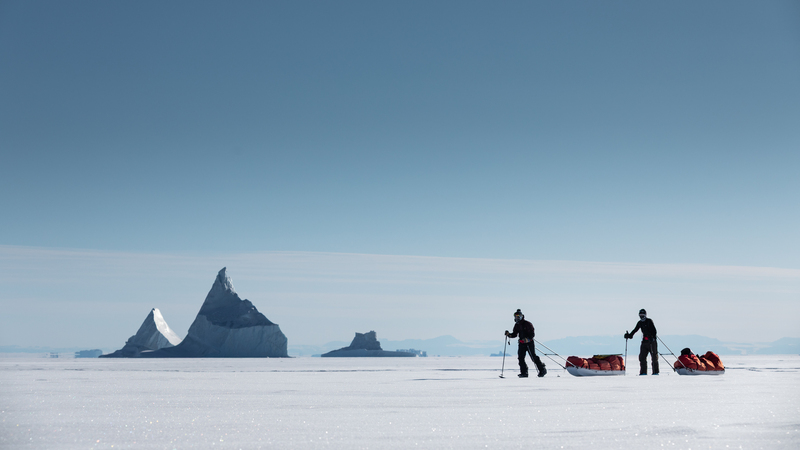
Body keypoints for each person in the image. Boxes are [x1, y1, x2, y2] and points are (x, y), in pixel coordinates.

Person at [505, 309, 546, 378]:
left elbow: (532, 334)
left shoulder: (527, 324)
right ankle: (524, 372)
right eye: (515, 316)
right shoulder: (517, 325)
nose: (516, 318)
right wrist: (509, 335)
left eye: (518, 316)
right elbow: (515, 334)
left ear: (521, 316)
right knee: (520, 358)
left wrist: (528, 339)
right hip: (521, 343)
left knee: (533, 357)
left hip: (529, 343)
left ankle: (542, 370)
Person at [624, 309, 659, 375]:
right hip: (644, 342)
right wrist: (629, 335)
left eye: (642, 315)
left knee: (654, 357)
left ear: (645, 315)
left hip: (652, 342)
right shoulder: (640, 323)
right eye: (640, 315)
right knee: (642, 357)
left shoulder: (649, 321)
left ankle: (655, 372)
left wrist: (652, 337)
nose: (641, 317)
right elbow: (635, 330)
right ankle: (643, 372)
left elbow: (654, 331)